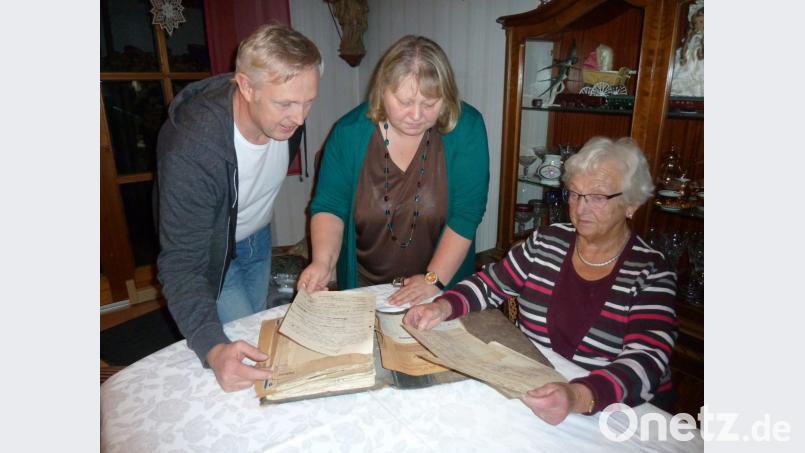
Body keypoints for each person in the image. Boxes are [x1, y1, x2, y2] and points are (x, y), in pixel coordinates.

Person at [404, 137, 677, 425]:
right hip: (536, 386)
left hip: (612, 412)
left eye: (597, 197)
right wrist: (441, 307)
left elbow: (646, 362)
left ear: (631, 203)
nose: (581, 209)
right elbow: (490, 284)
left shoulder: (651, 272)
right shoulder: (547, 242)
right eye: (574, 194)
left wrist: (576, 396)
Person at [155, 23, 321, 392]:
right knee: (244, 359)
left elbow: (254, 184)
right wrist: (213, 350)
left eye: (308, 101)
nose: (300, 118)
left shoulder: (287, 120)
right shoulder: (192, 148)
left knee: (259, 327)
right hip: (215, 248)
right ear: (246, 86)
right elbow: (180, 262)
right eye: (286, 104)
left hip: (257, 235)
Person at [297, 35, 489, 305]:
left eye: (430, 104)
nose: (416, 115)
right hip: (364, 289)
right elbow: (330, 206)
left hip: (439, 288)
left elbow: (466, 215)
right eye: (405, 102)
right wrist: (322, 262)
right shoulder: (349, 134)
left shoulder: (466, 129)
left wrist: (433, 279)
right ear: (382, 91)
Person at [670, 0, 703, 97]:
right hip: (688, 66)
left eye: (701, 21)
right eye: (696, 22)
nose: (698, 25)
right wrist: (684, 53)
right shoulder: (692, 38)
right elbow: (684, 51)